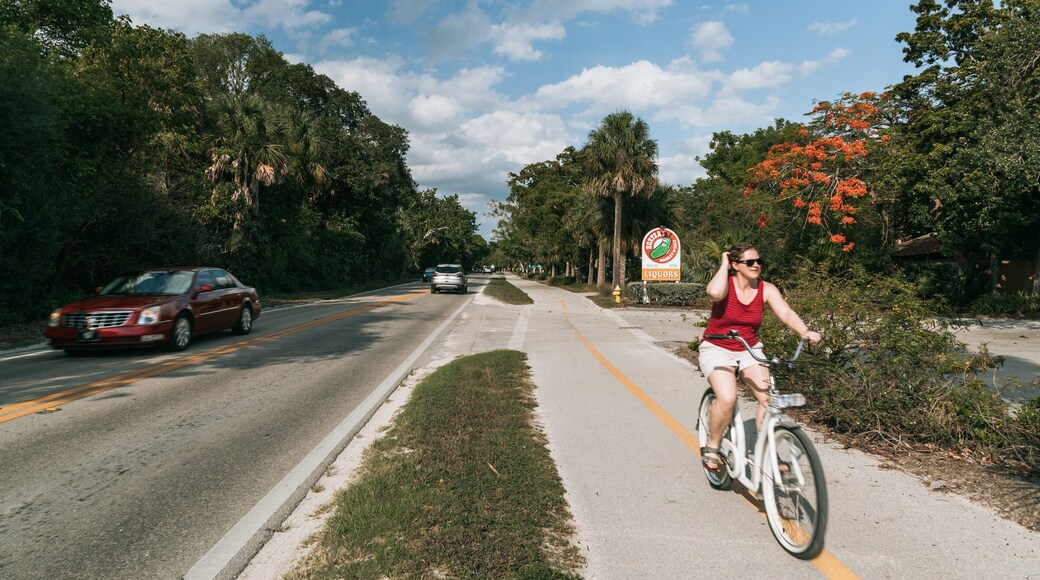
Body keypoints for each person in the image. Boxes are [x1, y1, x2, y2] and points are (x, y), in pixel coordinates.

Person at [699, 243, 821, 472]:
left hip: (749, 349)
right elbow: (714, 293)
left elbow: (785, 312)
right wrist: (724, 264)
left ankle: (767, 452)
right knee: (727, 398)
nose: (756, 265)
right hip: (717, 347)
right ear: (736, 265)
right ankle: (712, 445)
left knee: (769, 399)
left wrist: (804, 331)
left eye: (759, 261)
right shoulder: (726, 285)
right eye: (749, 262)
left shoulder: (766, 289)